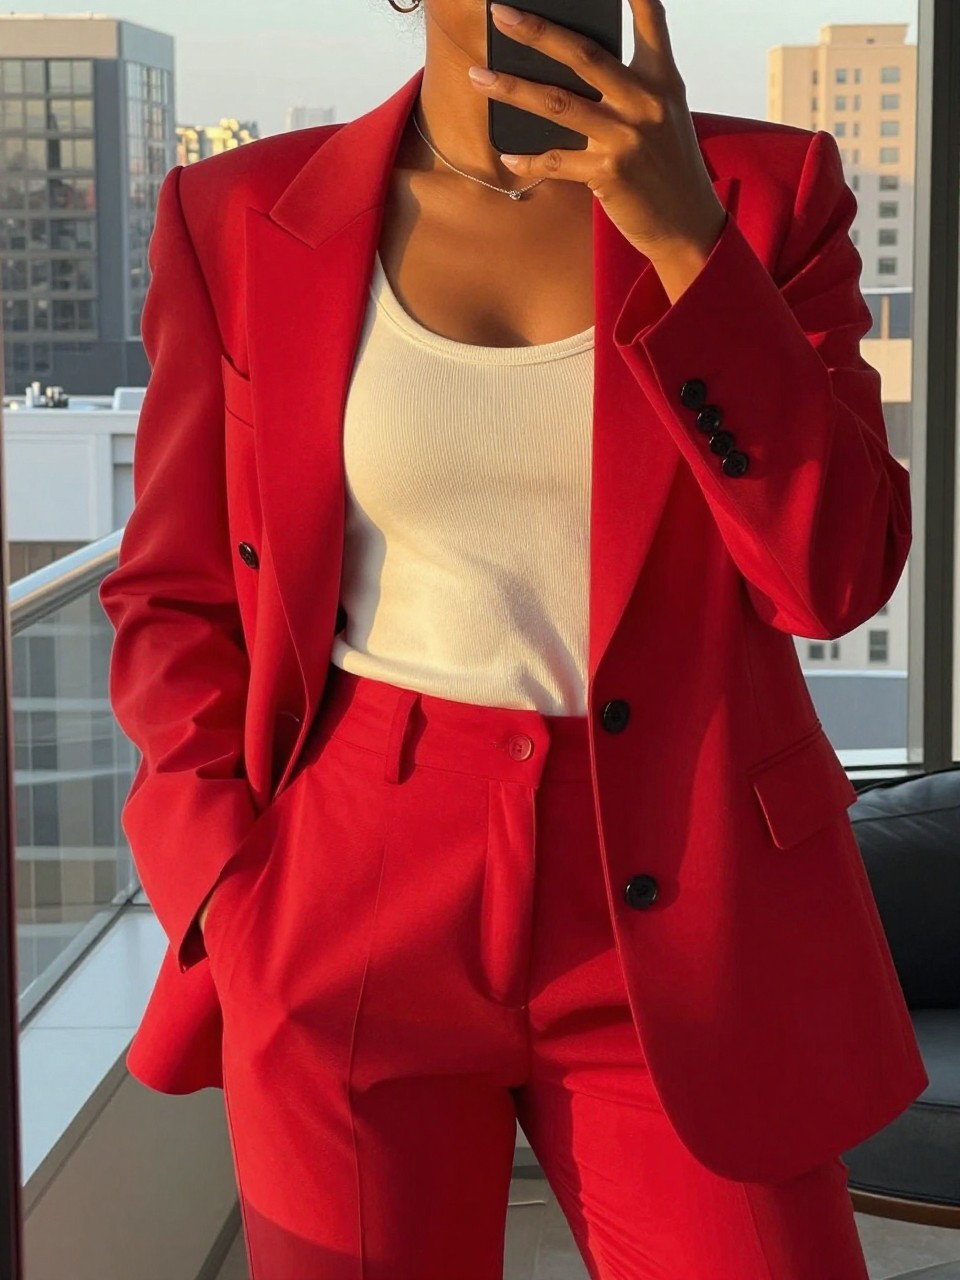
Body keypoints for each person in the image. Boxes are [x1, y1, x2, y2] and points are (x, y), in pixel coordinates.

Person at [99, 0, 928, 1276]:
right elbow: (173, 588)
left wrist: (687, 242)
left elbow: (834, 575)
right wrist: (221, 883)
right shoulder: (239, 215)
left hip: (684, 874)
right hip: (347, 880)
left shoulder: (763, 194)